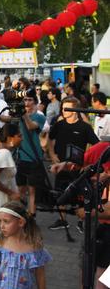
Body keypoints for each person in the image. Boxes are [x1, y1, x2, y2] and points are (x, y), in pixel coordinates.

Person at [0, 201, 51, 289]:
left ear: (20, 222)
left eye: (6, 221)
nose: (1, 226)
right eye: (0, 221)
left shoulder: (34, 247)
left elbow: (40, 276)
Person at [47, 96, 99, 230]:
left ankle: (81, 221)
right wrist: (52, 155)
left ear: (75, 110)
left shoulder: (85, 127)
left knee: (80, 195)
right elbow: (50, 140)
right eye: (62, 108)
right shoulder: (59, 124)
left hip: (78, 168)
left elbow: (96, 145)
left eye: (67, 108)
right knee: (60, 193)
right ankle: (62, 220)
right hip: (60, 166)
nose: (63, 111)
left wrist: (86, 162)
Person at [15, 90, 46, 217]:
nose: (27, 102)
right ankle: (20, 214)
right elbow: (8, 119)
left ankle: (31, 215)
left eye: (30, 100)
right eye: (25, 100)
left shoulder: (39, 116)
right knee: (21, 188)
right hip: (21, 157)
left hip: (34, 158)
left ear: (35, 102)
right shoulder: (20, 115)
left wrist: (24, 114)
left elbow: (30, 126)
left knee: (32, 189)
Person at [0, 124, 22, 239]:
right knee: (2, 236)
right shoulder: (4, 153)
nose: (21, 138)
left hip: (3, 198)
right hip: (1, 199)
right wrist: (10, 192)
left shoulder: (4, 151)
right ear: (10, 138)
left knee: (2, 237)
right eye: (19, 135)